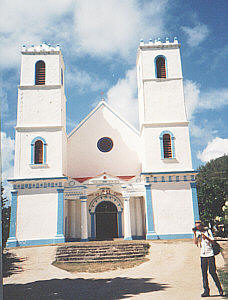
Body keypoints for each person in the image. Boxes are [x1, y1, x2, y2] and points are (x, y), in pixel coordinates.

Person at [193, 220, 224, 297]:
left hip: (210, 254)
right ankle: (206, 291)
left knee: (212, 272)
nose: (198, 228)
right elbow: (195, 242)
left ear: (201, 225)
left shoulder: (208, 231)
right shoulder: (197, 233)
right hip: (203, 255)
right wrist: (194, 234)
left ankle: (220, 289)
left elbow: (213, 241)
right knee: (204, 273)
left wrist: (206, 237)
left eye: (199, 226)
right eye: (197, 227)